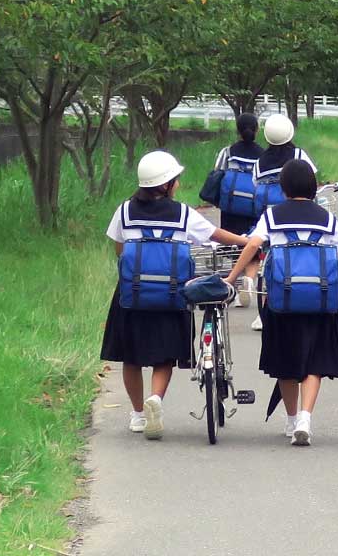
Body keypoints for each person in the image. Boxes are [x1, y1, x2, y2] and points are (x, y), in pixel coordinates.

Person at [101, 150, 248, 440]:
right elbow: (215, 235)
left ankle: (137, 415)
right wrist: (247, 242)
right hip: (171, 294)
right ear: (166, 184)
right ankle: (155, 398)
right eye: (175, 179)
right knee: (163, 356)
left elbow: (120, 251)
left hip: (132, 293)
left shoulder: (124, 211)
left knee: (131, 357)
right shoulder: (183, 214)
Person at [225, 159, 338, 446]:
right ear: (313, 187)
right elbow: (337, 254)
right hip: (319, 301)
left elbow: (252, 245)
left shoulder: (273, 216)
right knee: (314, 362)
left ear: (283, 187)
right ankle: (305, 418)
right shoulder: (328, 219)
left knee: (286, 362)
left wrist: (232, 277)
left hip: (281, 301)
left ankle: (289, 420)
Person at [249, 113, 319, 331]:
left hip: (271, 218)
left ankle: (263, 313)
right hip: (301, 215)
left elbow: (255, 186)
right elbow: (312, 179)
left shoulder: (259, 162)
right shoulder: (299, 154)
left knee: (268, 264)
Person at [212, 113, 265, 309]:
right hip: (253, 208)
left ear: (238, 130)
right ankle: (249, 279)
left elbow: (217, 174)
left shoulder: (228, 152)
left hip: (231, 208)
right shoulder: (263, 155)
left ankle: (234, 284)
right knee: (253, 245)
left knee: (234, 243)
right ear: (257, 130)